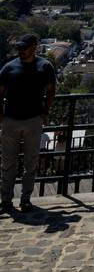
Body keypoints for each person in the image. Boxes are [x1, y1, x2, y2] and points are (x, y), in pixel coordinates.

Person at [0, 34, 57, 213]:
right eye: (19, 48)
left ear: (34, 47)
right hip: (10, 121)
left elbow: (51, 91)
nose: (21, 51)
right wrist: (2, 117)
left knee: (30, 163)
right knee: (8, 163)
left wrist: (44, 112)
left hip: (33, 120)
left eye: (24, 48)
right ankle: (6, 201)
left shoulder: (45, 66)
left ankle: (25, 199)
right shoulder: (9, 68)